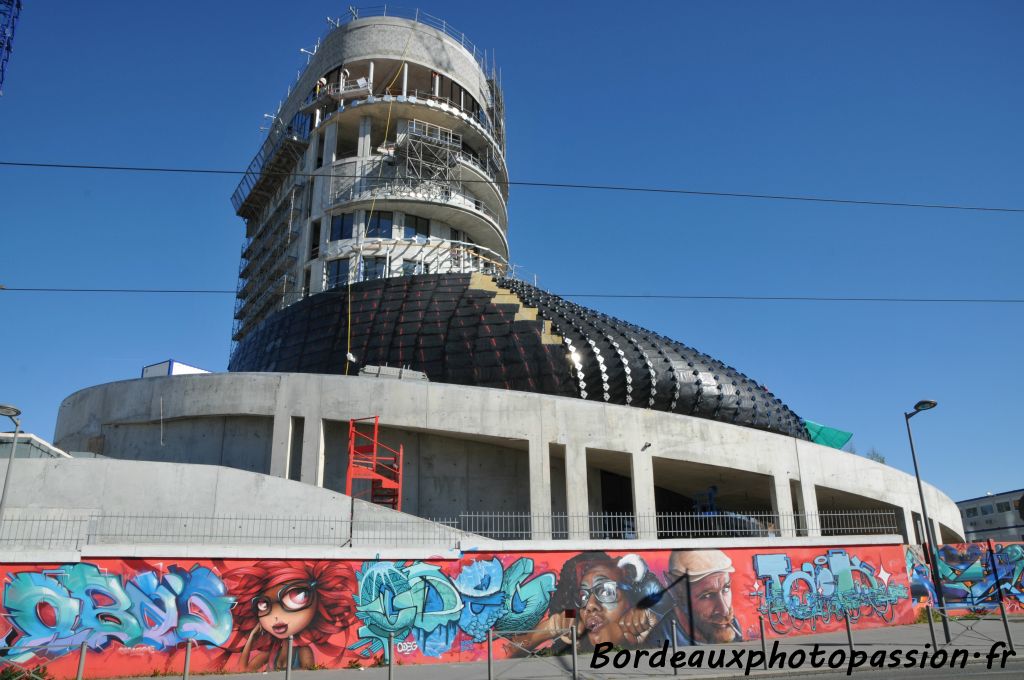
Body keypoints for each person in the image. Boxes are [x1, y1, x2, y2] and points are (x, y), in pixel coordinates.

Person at [223, 560, 355, 670]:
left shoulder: (303, 652)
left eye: (295, 597)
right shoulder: (270, 653)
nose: (276, 616)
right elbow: (244, 670)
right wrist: (252, 636)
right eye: (264, 605)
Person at [664, 549, 743, 644]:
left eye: (725, 589)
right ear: (679, 593)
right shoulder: (664, 637)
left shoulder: (728, 624)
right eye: (707, 595)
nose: (725, 611)